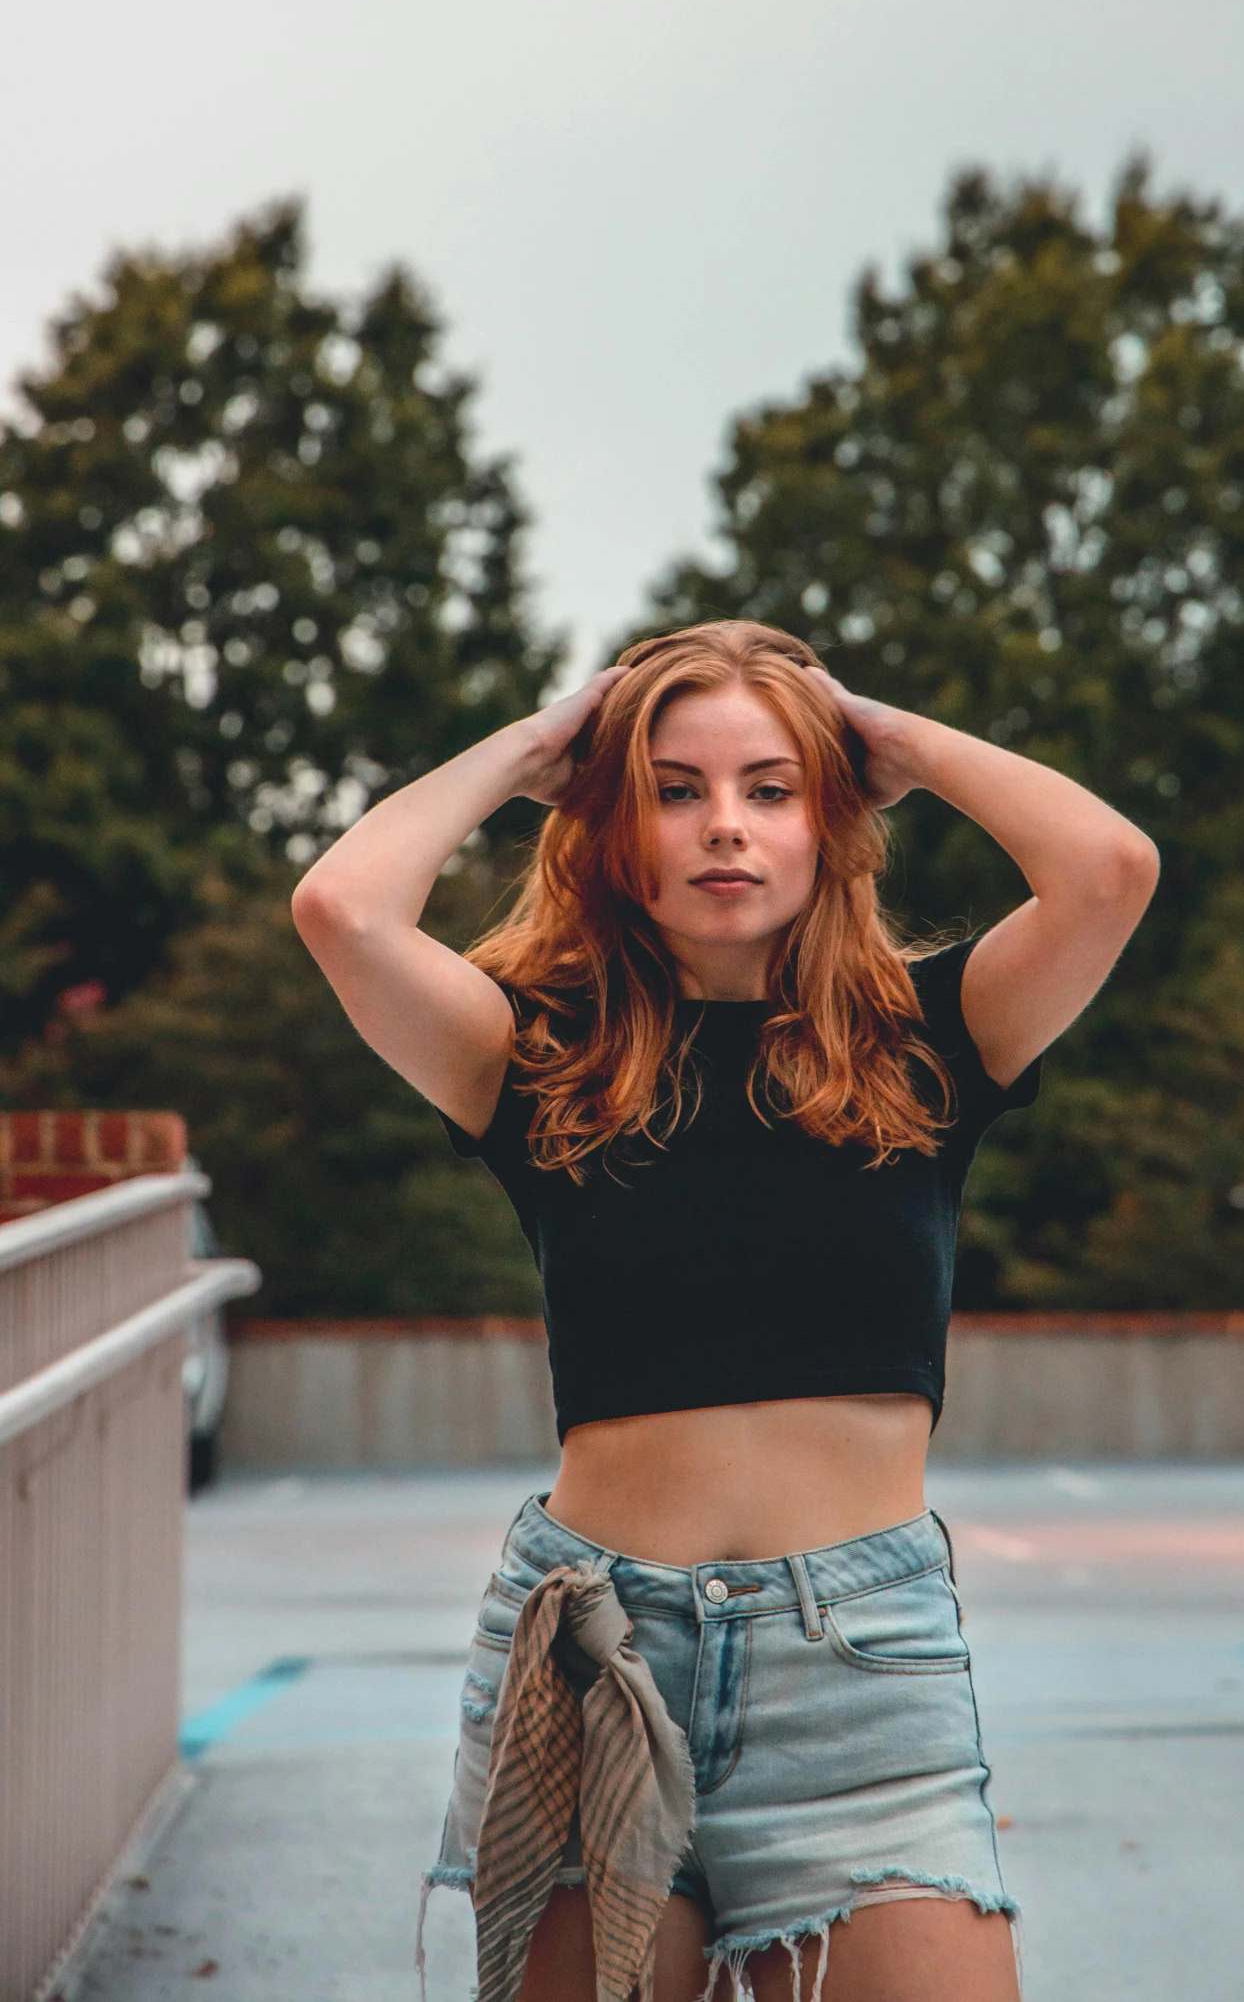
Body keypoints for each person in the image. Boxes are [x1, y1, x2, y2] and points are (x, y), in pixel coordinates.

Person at [292, 620, 1158, 2002]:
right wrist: (538, 750)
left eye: (770, 788)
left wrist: (893, 742)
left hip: (860, 1673)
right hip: (596, 1655)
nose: (724, 827)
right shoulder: (532, 1053)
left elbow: (1110, 869)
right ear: (613, 828)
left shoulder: (931, 1035)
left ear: (830, 818)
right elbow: (340, 909)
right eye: (673, 789)